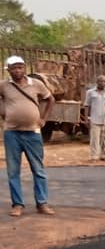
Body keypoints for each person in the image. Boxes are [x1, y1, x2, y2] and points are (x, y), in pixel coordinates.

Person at [0, 55, 55, 217]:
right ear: (8, 70)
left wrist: (44, 119)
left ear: (25, 68)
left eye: (20, 67)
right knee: (13, 171)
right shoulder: (4, 85)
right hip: (12, 133)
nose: (18, 70)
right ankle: (17, 205)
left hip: (32, 133)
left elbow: (50, 99)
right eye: (14, 68)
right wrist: (3, 112)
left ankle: (42, 203)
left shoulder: (36, 84)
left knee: (38, 169)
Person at [82, 74, 105, 162]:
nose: (102, 83)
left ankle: (104, 155)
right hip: (95, 120)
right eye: (100, 81)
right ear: (97, 82)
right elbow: (86, 106)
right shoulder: (90, 92)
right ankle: (94, 157)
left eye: (104, 81)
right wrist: (86, 119)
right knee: (94, 139)